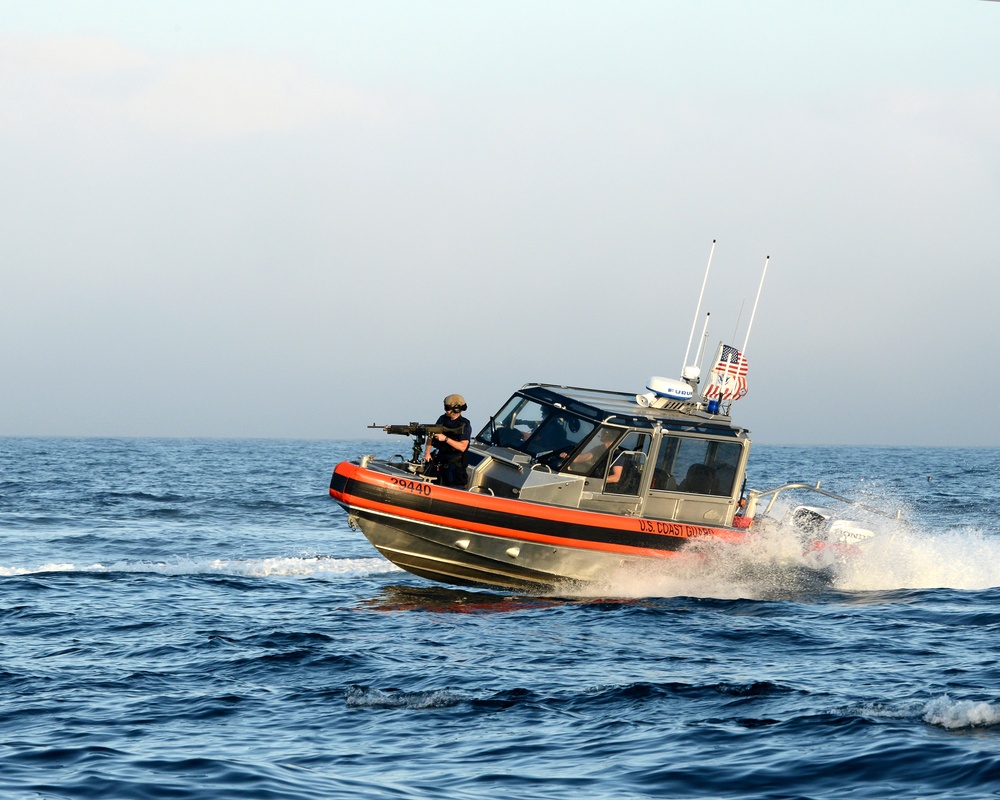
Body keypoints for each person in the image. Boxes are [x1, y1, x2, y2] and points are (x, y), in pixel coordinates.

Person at [423, 394, 472, 488]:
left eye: (448, 408)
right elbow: (431, 435)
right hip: (441, 459)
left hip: (454, 464)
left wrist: (445, 439)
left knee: (454, 486)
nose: (447, 411)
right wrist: (427, 452)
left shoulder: (464, 424)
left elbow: (462, 447)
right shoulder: (442, 419)